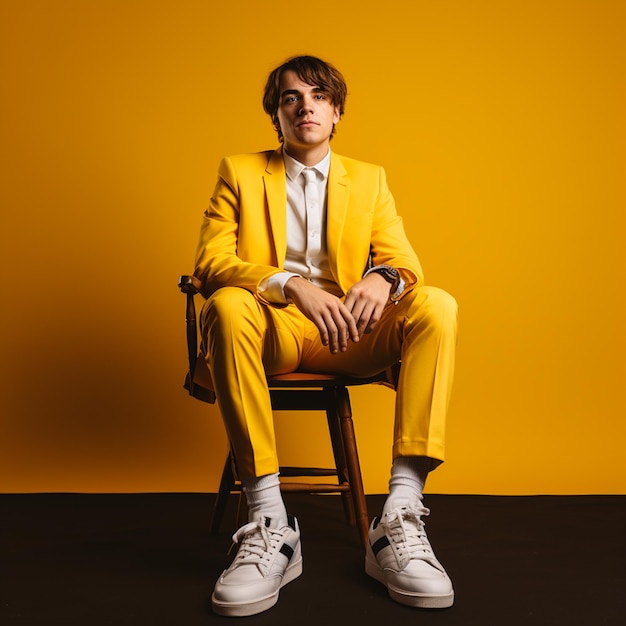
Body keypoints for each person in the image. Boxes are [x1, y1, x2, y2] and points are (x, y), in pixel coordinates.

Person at [192, 55, 458, 617]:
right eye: (291, 97)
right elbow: (211, 260)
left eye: (318, 96)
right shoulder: (239, 171)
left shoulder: (369, 178)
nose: (305, 106)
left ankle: (400, 517)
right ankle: (267, 519)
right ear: (277, 115)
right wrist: (289, 285)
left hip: (352, 333)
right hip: (275, 329)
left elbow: (403, 260)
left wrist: (381, 279)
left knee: (436, 304)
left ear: (336, 112)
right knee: (227, 303)